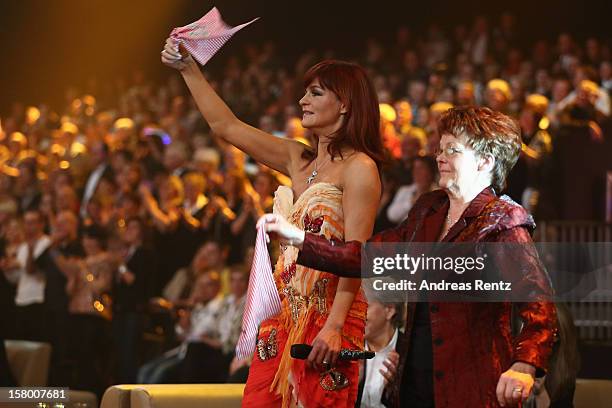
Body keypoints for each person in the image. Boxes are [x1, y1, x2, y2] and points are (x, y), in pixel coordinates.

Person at [261, 106, 558, 407]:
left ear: (485, 161)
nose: (439, 156)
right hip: (414, 385)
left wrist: (524, 366)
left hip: (470, 389)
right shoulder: (428, 210)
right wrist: (299, 238)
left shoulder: (501, 222)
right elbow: (364, 257)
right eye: (440, 148)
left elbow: (540, 307)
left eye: (452, 150)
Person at [162, 39, 384, 407]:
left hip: (330, 316)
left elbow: (354, 257)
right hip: (283, 315)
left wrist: (334, 327)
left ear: (344, 104)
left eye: (315, 93)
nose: (303, 101)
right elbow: (225, 127)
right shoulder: (297, 158)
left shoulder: (360, 168)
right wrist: (188, 69)